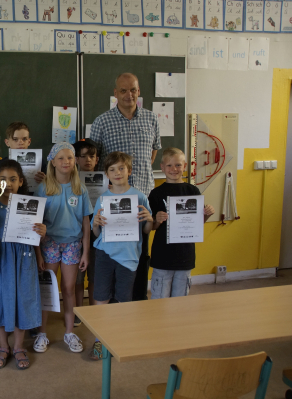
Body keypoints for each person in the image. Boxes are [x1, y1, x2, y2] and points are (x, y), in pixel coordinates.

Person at [89, 72, 161, 301]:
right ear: (115, 93)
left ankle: (133, 311)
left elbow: (154, 152)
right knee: (108, 260)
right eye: (123, 90)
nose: (128, 95)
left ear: (139, 92)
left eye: (133, 90)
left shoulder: (151, 118)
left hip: (141, 200)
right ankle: (107, 322)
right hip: (112, 202)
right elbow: (95, 159)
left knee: (139, 258)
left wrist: (135, 187)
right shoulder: (102, 121)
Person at [0, 160, 46, 370]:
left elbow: (35, 236)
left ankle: (18, 346)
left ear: (21, 181)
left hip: (23, 258)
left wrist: (41, 236)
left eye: (13, 179)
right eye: (3, 179)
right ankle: (3, 345)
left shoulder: (30, 203)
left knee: (22, 299)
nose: (8, 183)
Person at [89, 151, 153, 359]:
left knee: (124, 299)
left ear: (129, 171)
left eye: (121, 168)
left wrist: (149, 220)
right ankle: (100, 340)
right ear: (107, 173)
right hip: (105, 253)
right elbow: (96, 233)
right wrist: (96, 224)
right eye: (112, 169)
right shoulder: (102, 199)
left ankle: (120, 338)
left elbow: (145, 231)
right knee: (100, 297)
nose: (117, 173)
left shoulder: (139, 196)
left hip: (129, 256)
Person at [34, 142, 93, 354]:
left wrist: (85, 251)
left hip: (72, 244)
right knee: (48, 290)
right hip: (49, 243)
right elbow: (37, 224)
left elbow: (86, 223)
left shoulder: (80, 188)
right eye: (61, 158)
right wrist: (38, 252)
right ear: (52, 161)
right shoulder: (44, 189)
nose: (65, 162)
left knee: (68, 289)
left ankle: (69, 332)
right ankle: (42, 333)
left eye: (69, 157)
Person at [148, 148, 215, 299]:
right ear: (162, 167)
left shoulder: (192, 190)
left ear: (185, 166)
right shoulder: (156, 193)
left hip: (185, 255)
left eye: (178, 165)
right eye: (170, 165)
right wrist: (156, 220)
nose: (174, 169)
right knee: (160, 299)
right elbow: (150, 227)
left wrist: (206, 215)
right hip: (162, 255)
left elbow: (197, 224)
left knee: (180, 300)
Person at [72, 139, 99, 327]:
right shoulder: (72, 181)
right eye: (83, 156)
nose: (88, 160)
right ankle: (78, 313)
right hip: (78, 233)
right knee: (78, 278)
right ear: (76, 160)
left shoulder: (107, 180)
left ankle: (94, 313)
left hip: (99, 233)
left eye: (92, 156)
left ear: (97, 159)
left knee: (96, 276)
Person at [0, 121, 46, 191]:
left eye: (24, 139)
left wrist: (45, 181)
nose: (20, 142)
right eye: (15, 139)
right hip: (7, 200)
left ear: (29, 141)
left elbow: (47, 189)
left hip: (33, 198)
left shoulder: (40, 162)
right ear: (7, 142)